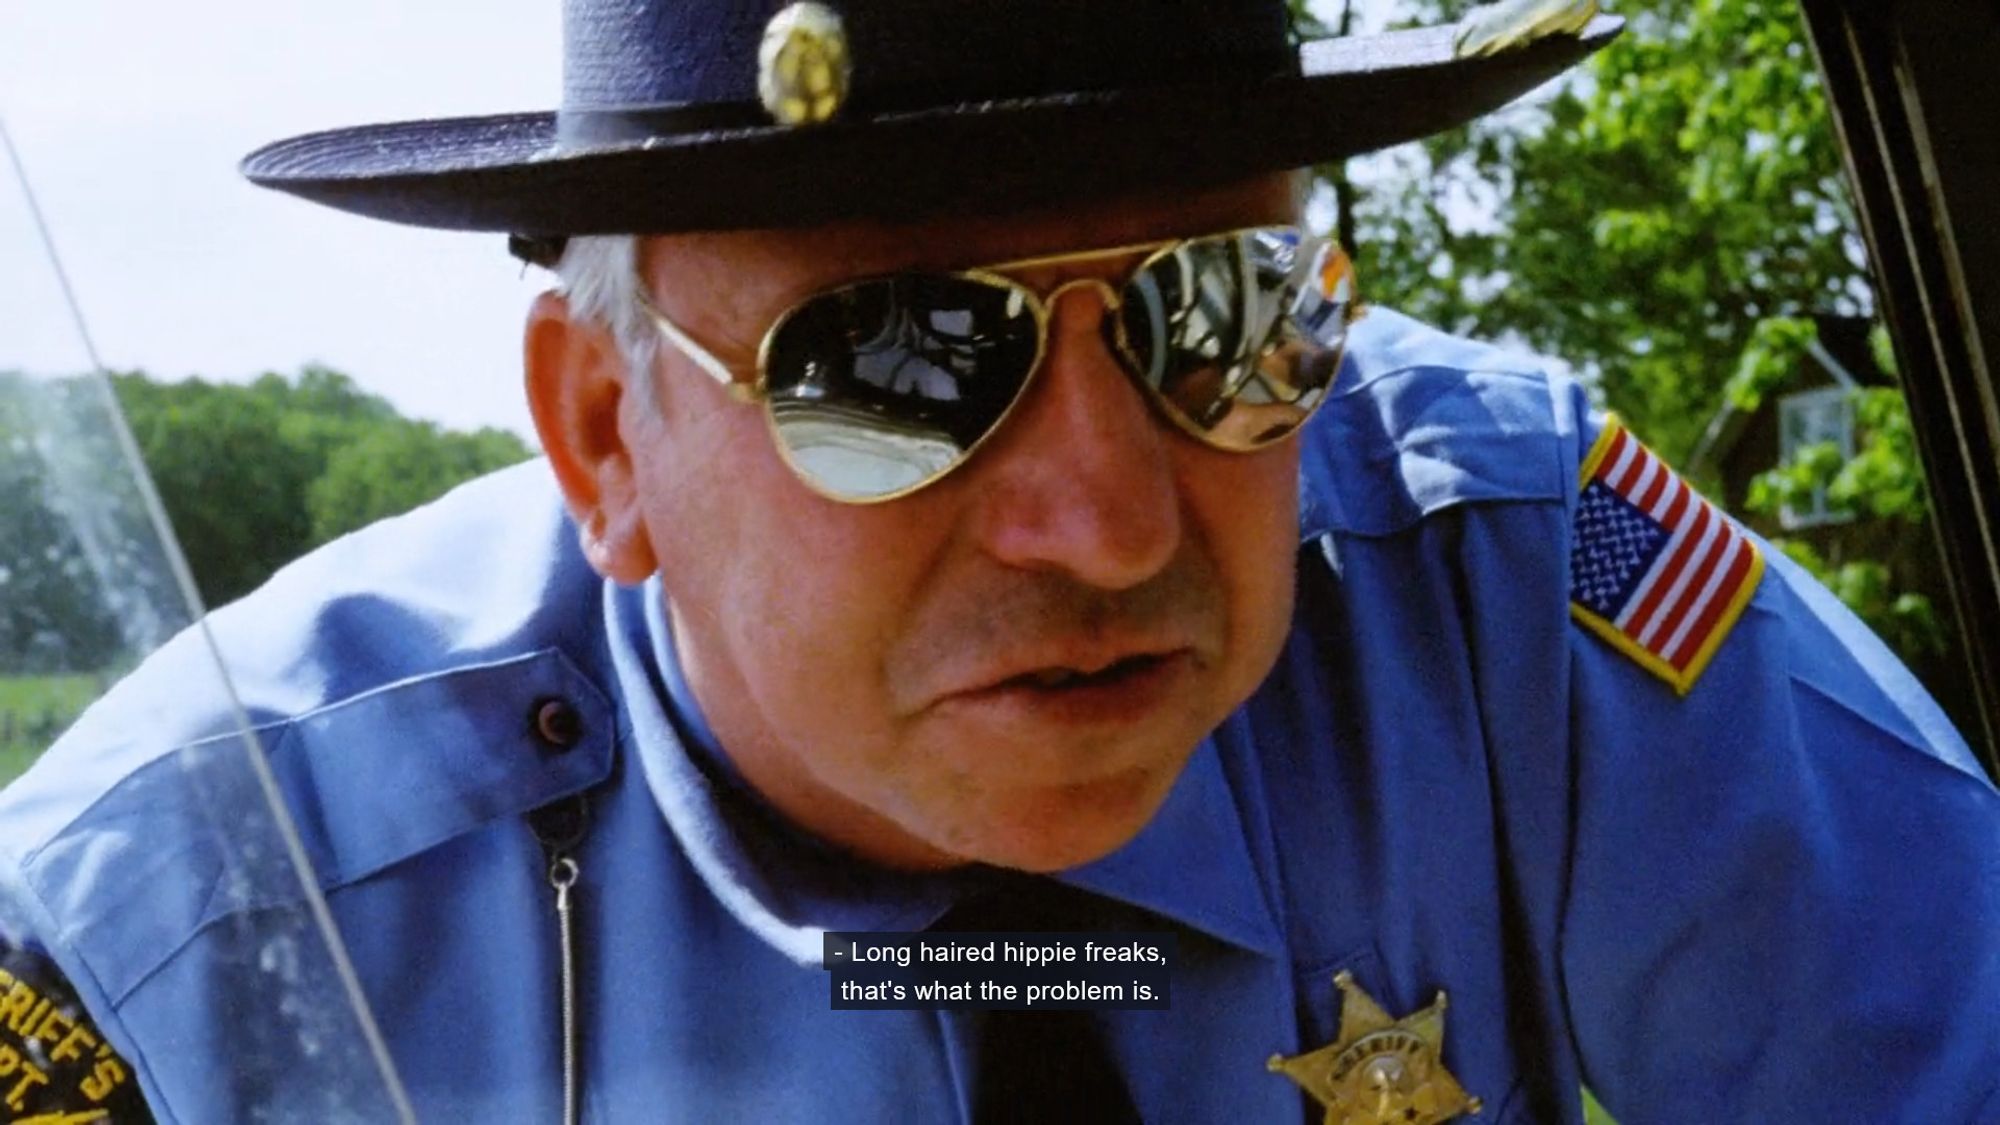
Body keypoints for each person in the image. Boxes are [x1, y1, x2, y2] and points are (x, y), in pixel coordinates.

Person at [3, 1, 1998, 1122]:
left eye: (1219, 315)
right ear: (608, 435)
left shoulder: (1502, 578)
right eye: (896, 361)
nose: (1116, 522)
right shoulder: (178, 920)